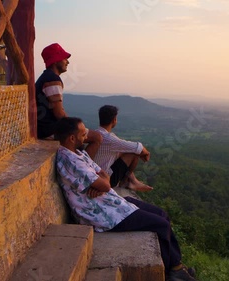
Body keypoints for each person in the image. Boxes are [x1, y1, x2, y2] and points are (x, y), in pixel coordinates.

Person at [55, 117, 196, 281]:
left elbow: (103, 175)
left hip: (110, 202)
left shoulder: (78, 153)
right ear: (72, 138)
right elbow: (104, 183)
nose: (86, 136)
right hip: (102, 213)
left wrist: (103, 182)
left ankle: (176, 266)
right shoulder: (69, 161)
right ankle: (171, 273)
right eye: (82, 133)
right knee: (161, 224)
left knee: (162, 214)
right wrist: (103, 184)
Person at [35, 43, 102, 158]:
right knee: (97, 137)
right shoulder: (52, 79)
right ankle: (85, 168)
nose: (67, 62)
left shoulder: (46, 77)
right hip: (48, 130)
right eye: (64, 58)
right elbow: (59, 113)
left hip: (43, 127)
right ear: (56, 61)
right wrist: (76, 127)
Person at [94, 105, 153, 191]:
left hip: (95, 176)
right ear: (114, 120)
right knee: (133, 153)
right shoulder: (110, 139)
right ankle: (126, 182)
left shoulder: (96, 133)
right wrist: (146, 153)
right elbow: (139, 148)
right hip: (106, 180)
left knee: (127, 150)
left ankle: (132, 180)